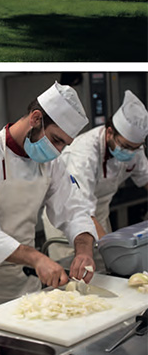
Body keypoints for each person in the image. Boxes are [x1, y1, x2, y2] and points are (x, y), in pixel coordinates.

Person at [0, 82, 97, 322]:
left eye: (64, 145)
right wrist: (37, 258)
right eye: (56, 140)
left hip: (26, 290)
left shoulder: (51, 163)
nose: (58, 151)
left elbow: (73, 210)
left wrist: (84, 250)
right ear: (36, 119)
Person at [42, 90, 148, 259]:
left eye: (135, 148)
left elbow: (145, 177)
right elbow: (82, 209)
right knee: (75, 273)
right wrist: (111, 249)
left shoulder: (134, 149)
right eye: (125, 146)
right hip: (69, 219)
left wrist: (109, 248)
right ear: (109, 132)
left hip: (99, 215)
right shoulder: (84, 155)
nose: (130, 152)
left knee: (107, 268)